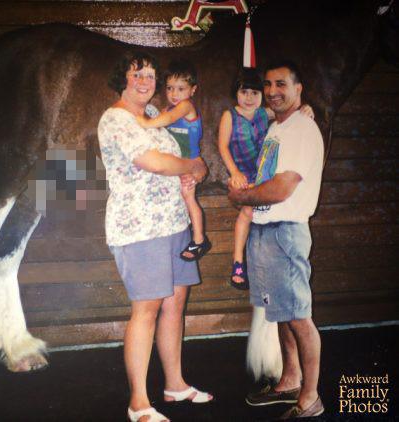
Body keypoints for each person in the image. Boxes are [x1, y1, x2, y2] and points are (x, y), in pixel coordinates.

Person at [98, 51, 212, 422]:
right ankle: (139, 402)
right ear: (122, 79)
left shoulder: (151, 117)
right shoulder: (115, 118)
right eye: (137, 75)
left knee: (174, 305)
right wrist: (191, 166)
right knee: (146, 310)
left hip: (174, 224)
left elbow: (185, 157)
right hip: (140, 229)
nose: (145, 82)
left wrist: (197, 166)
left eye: (150, 75)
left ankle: (175, 385)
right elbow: (153, 162)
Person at [227, 61, 324, 419]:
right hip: (266, 230)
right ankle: (291, 379)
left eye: (281, 84)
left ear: (300, 89)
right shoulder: (275, 127)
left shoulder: (301, 129)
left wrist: (242, 198)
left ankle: (310, 399)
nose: (272, 91)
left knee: (299, 317)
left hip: (285, 233)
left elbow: (283, 187)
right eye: (267, 84)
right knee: (283, 312)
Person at [218, 68, 314, 290]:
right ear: (236, 93)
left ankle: (268, 266)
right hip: (242, 173)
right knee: (248, 211)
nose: (249, 98)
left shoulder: (265, 113)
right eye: (244, 92)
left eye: (255, 93)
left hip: (265, 173)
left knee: (267, 214)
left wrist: (306, 107)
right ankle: (238, 262)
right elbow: (222, 146)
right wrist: (234, 172)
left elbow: (290, 109)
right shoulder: (229, 116)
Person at [136, 60, 210, 261]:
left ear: (192, 90)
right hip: (175, 166)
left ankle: (199, 239)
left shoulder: (186, 106)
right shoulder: (167, 109)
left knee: (188, 198)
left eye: (180, 88)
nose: (174, 94)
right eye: (169, 88)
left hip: (190, 163)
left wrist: (146, 123)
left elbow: (165, 122)